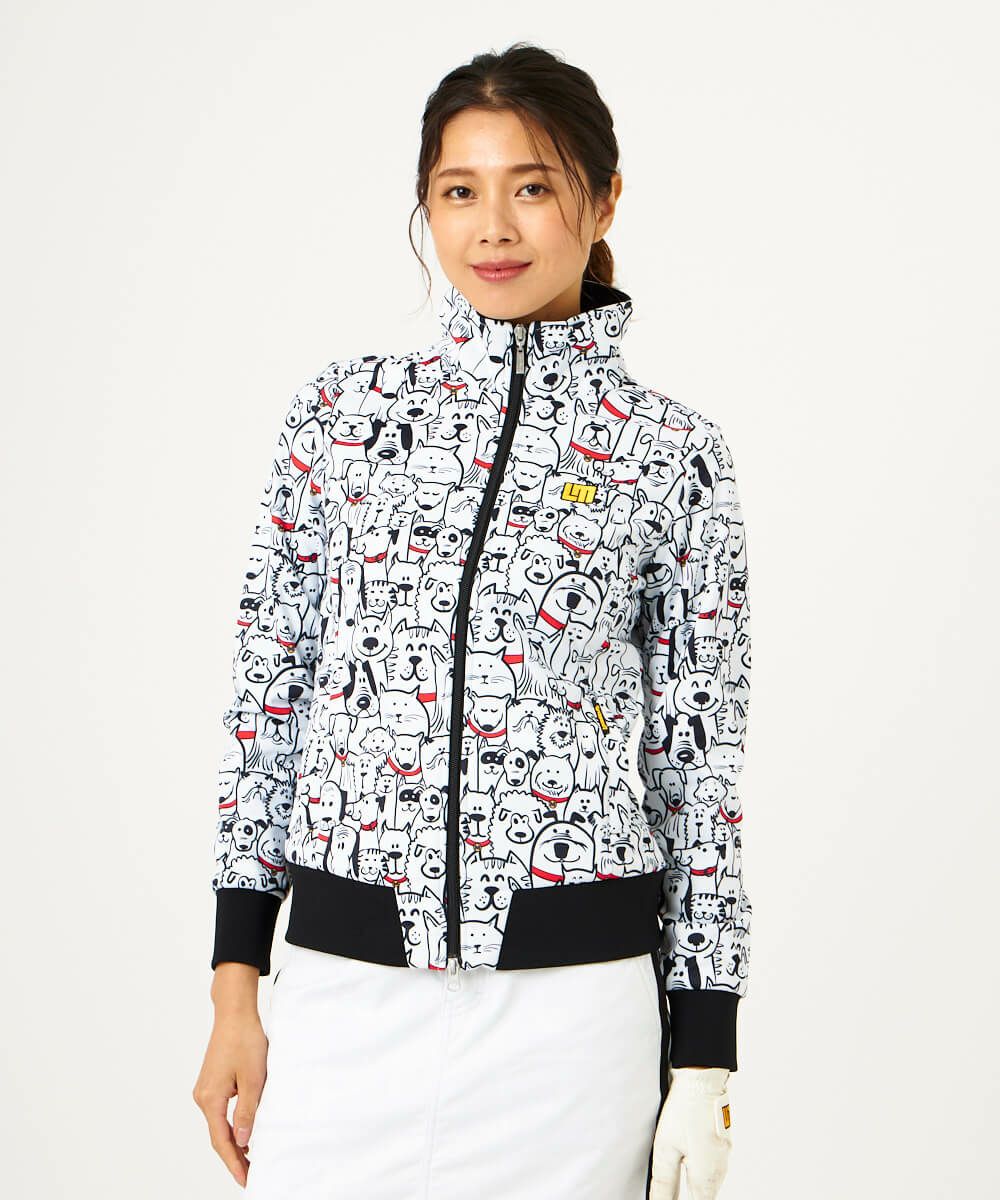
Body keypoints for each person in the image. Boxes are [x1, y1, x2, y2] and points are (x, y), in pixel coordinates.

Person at [193, 42, 752, 1200]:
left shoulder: (672, 454)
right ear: (427, 207)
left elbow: (698, 768)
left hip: (571, 1020)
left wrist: (703, 1057)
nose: (493, 226)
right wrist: (235, 986)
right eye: (459, 190)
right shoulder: (342, 418)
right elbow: (269, 699)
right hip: (345, 996)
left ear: (603, 199)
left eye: (532, 186)